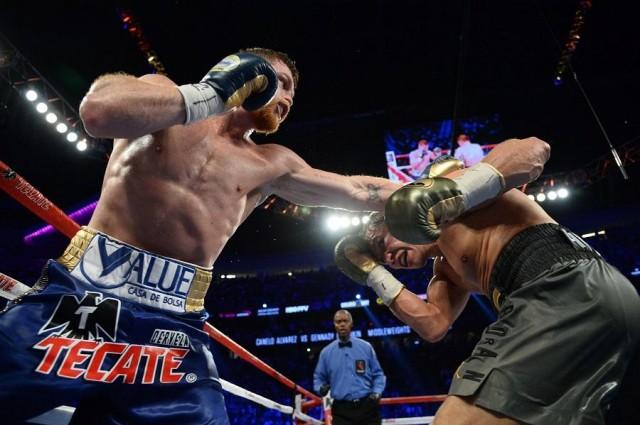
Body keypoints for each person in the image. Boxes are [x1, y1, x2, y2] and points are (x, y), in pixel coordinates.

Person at [0, 48, 402, 425]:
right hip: (82, 296)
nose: (289, 99)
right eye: (281, 82)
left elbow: (356, 191)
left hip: (171, 322)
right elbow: (98, 111)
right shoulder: (163, 98)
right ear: (246, 71)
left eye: (293, 95)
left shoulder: (271, 162)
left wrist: (445, 193)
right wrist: (213, 93)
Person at [334, 141, 640, 425]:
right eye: (380, 260)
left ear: (395, 215)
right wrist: (373, 274)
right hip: (605, 297)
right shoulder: (445, 272)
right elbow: (433, 325)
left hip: (561, 286)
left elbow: (535, 148)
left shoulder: (456, 199)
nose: (387, 257)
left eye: (380, 243)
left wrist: (454, 189)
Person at [314, 309, 386, 425]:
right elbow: (318, 378)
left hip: (367, 406)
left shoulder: (365, 347)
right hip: (341, 410)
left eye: (345, 321)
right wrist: (320, 388)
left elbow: (378, 374)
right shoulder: (326, 353)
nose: (342, 324)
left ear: (351, 324)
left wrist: (376, 392)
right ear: (334, 325)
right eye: (338, 321)